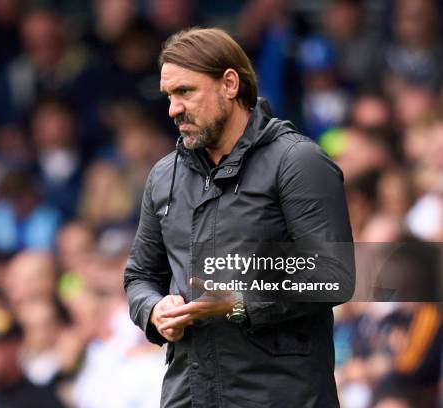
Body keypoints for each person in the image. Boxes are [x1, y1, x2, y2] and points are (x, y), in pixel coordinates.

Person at [124, 28, 355, 407]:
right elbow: (140, 276)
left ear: (230, 84)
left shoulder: (298, 162)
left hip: (283, 396)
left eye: (185, 92)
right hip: (190, 395)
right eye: (169, 96)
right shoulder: (164, 176)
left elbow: (333, 276)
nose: (173, 109)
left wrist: (239, 303)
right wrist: (153, 309)